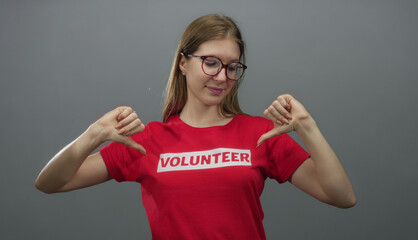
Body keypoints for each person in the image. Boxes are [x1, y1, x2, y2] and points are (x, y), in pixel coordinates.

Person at [36, 14, 356, 240]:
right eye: (211, 62)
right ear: (184, 62)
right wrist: (93, 135)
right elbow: (49, 183)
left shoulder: (260, 134)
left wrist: (308, 128)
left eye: (232, 67)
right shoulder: (147, 142)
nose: (222, 76)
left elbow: (342, 197)